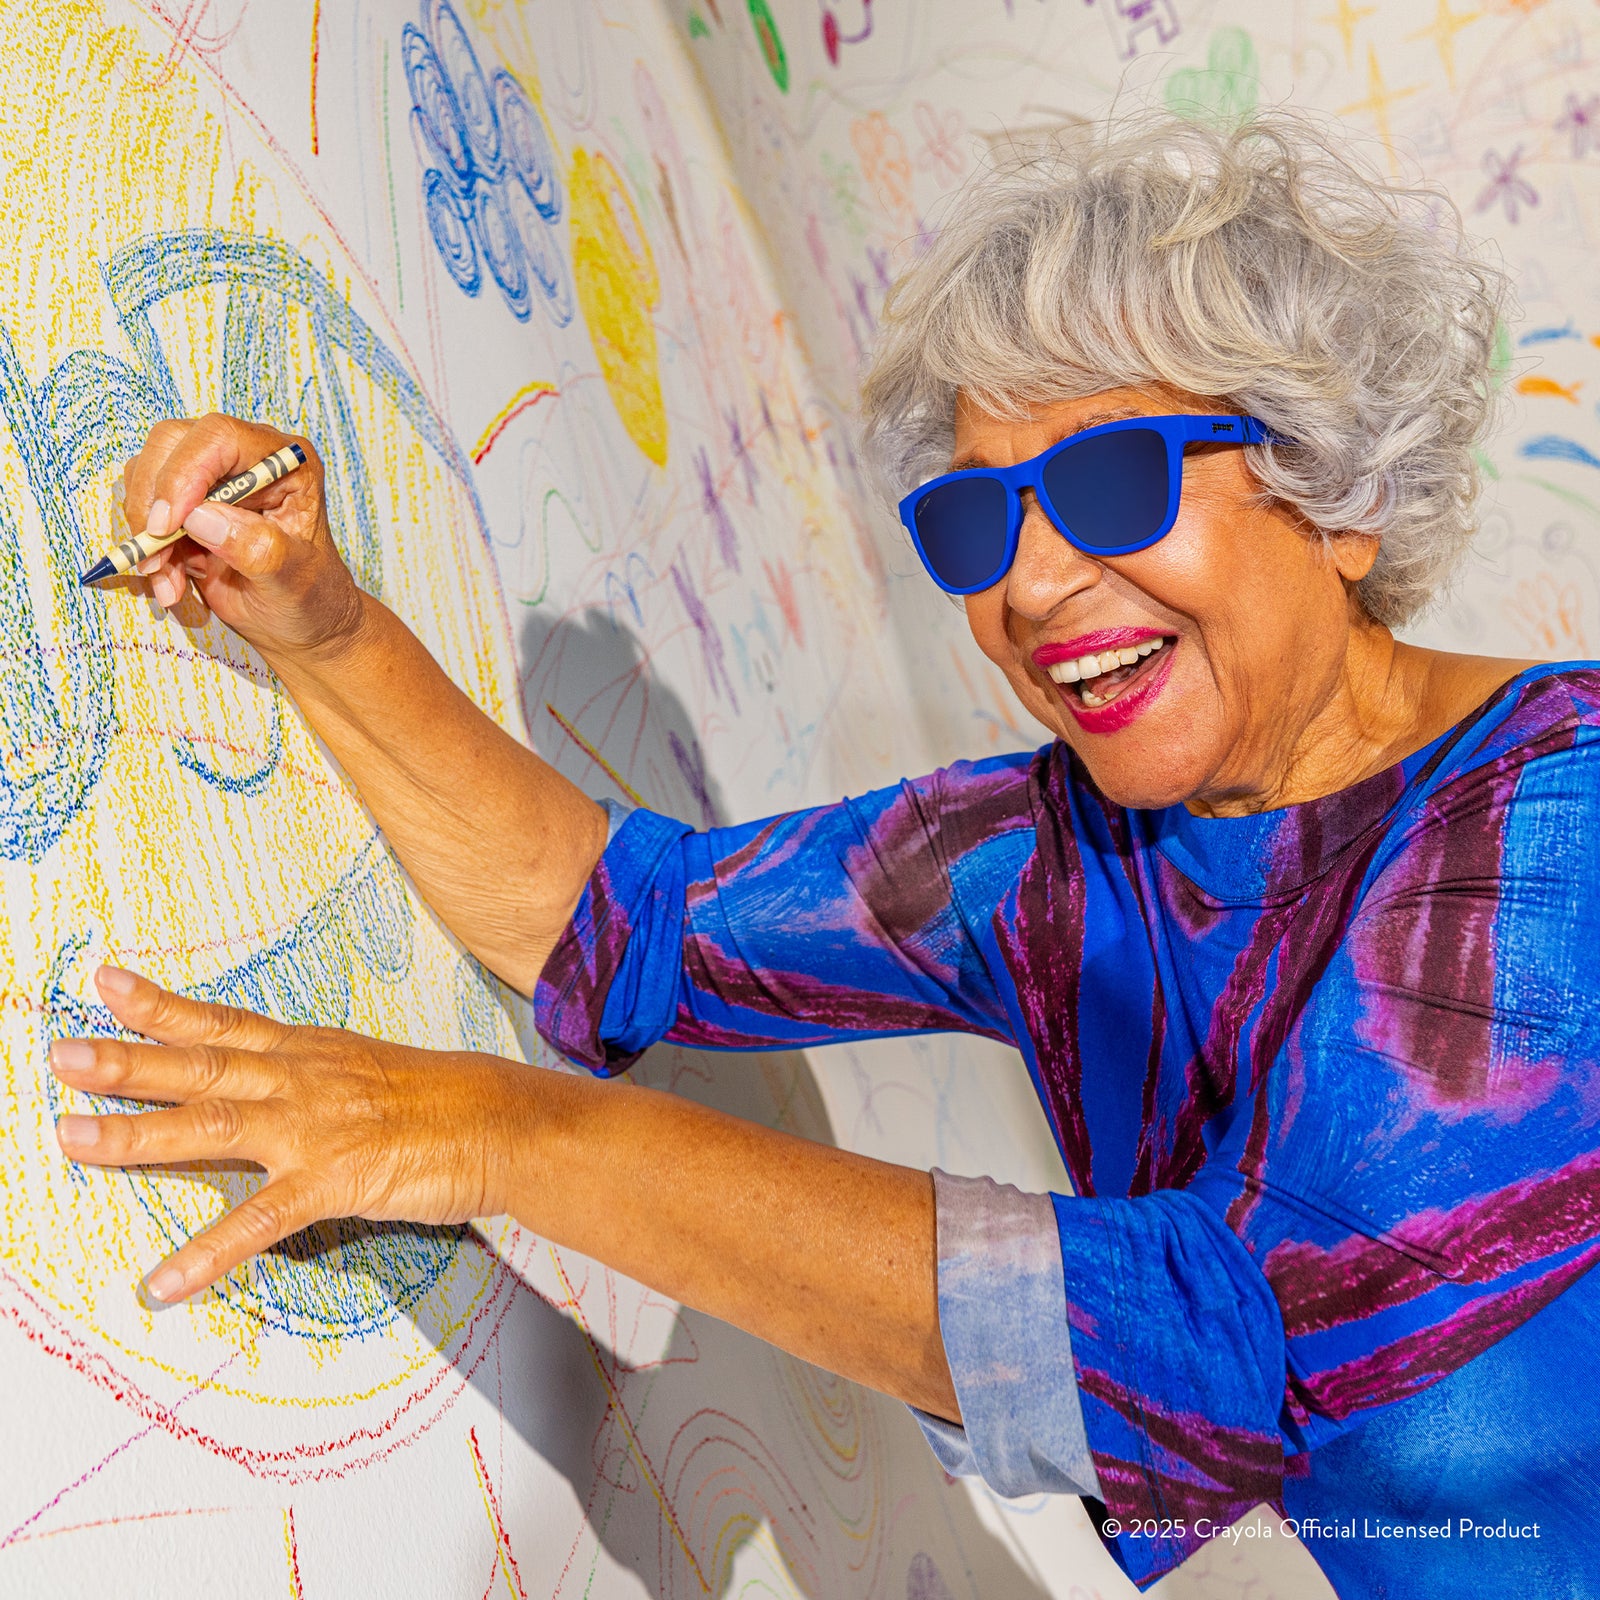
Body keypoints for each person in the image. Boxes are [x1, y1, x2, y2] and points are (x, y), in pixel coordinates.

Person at [53, 112, 1600, 1596]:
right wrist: (319, 626)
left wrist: (495, 1134)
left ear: (1342, 495)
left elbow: (1220, 1338)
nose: (1038, 586)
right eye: (977, 523)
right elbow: (616, 926)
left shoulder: (1559, 818)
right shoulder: (1073, 851)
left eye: (1117, 483)